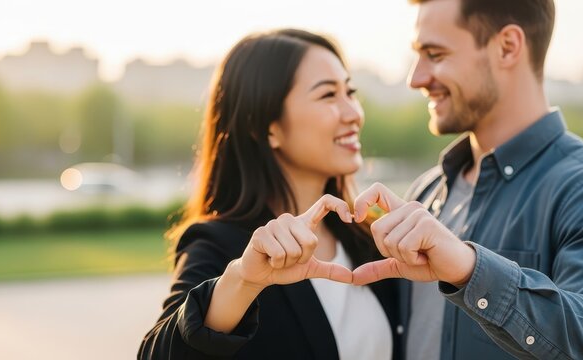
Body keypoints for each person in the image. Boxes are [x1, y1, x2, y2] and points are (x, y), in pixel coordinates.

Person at [350, 0, 583, 359]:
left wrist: (470, 269)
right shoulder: (426, 192)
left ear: (507, 47)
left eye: (435, 54)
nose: (416, 78)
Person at [138, 29, 402, 360]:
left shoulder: (369, 235)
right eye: (328, 96)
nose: (353, 113)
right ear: (266, 126)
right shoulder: (222, 246)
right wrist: (244, 281)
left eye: (350, 92)